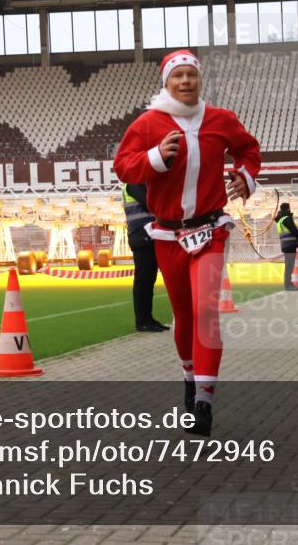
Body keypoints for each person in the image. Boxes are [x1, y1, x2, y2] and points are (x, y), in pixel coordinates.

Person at [114, 49, 261, 437]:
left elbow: (248, 148)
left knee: (205, 313)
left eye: (190, 75)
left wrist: (245, 175)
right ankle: (190, 376)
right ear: (166, 82)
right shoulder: (149, 123)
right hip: (167, 234)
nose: (184, 82)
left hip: (211, 229)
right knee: (183, 315)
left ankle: (204, 402)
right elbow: (123, 166)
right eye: (177, 76)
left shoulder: (221, 120)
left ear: (199, 81)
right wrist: (156, 157)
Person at [122, 183, 169, 332]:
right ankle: (143, 321)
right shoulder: (133, 183)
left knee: (148, 280)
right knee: (144, 281)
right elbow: (150, 203)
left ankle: (147, 319)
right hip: (142, 236)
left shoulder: (138, 183)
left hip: (147, 236)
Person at [274, 202, 298, 291]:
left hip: (285, 245)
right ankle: (288, 285)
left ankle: (288, 284)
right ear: (288, 209)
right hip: (290, 245)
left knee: (289, 266)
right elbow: (293, 230)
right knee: (289, 266)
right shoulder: (286, 218)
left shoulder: (279, 220)